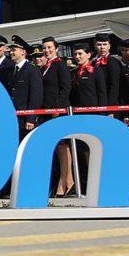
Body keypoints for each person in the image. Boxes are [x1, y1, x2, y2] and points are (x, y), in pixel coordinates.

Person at [40, 36, 75, 196]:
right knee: (58, 146)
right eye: (44, 48)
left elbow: (65, 88)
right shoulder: (45, 66)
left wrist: (57, 108)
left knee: (63, 145)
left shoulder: (60, 65)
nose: (47, 50)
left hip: (58, 111)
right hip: (47, 111)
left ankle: (65, 182)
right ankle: (67, 181)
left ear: (56, 48)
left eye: (49, 47)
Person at [91, 34, 124, 107]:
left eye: (105, 44)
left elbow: (114, 86)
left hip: (109, 104)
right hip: (96, 103)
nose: (102, 47)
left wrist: (109, 106)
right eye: (99, 44)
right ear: (95, 46)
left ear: (109, 46)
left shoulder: (113, 62)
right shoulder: (92, 63)